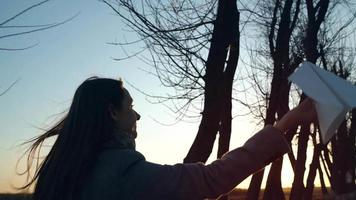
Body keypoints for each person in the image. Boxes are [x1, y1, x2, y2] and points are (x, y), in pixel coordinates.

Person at [20, 77, 317, 200]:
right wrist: (289, 121)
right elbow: (213, 178)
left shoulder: (61, 170)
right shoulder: (122, 173)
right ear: (112, 112)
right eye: (131, 107)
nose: (137, 117)